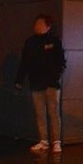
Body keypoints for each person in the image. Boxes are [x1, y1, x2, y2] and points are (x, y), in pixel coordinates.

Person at [15, 13, 66, 153]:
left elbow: (61, 61)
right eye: (36, 23)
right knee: (39, 113)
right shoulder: (30, 42)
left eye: (40, 24)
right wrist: (19, 80)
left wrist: (55, 77)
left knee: (53, 112)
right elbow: (24, 62)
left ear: (48, 26)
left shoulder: (54, 41)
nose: (37, 26)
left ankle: (56, 142)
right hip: (36, 82)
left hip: (51, 83)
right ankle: (43, 140)